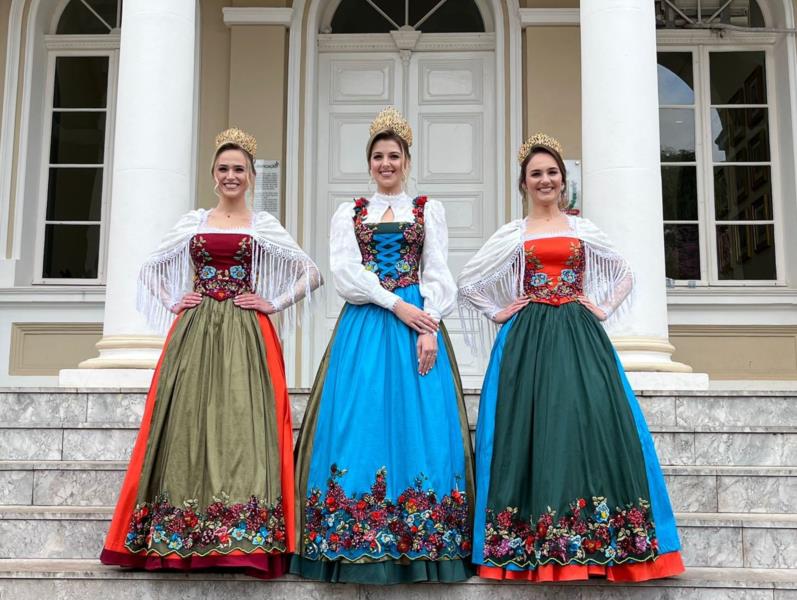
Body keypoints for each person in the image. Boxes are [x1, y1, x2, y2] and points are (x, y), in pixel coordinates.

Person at [457, 133, 684, 582]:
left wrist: (601, 307)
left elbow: (623, 271)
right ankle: (532, 546)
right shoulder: (514, 233)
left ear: (563, 181)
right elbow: (468, 282)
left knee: (591, 426)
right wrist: (498, 310)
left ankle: (600, 547)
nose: (545, 180)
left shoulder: (582, 228)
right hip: (529, 342)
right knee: (532, 430)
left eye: (552, 173)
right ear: (524, 184)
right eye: (536, 174)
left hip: (580, 338)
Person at [100, 128, 322, 579]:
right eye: (223, 169)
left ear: (252, 176)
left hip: (246, 332)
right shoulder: (194, 221)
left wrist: (272, 302)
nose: (231, 176)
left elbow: (311, 273)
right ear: (213, 175)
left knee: (242, 426)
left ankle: (240, 540)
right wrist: (173, 300)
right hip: (197, 330)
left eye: (239, 169)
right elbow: (148, 268)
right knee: (188, 425)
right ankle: (181, 535)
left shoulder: (263, 226)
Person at [291, 107, 474, 584]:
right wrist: (396, 305)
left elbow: (437, 272)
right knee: (361, 420)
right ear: (369, 163)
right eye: (378, 157)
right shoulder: (349, 212)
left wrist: (430, 324)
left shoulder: (427, 210)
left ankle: (423, 545)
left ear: (407, 162)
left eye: (394, 156)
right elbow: (347, 275)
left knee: (421, 426)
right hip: (371, 323)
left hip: (418, 323)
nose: (386, 164)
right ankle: (353, 540)